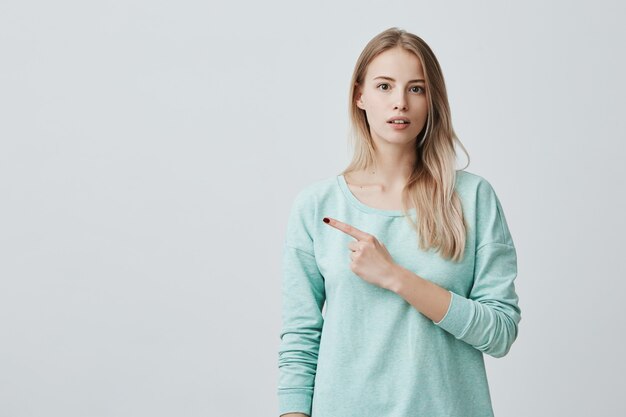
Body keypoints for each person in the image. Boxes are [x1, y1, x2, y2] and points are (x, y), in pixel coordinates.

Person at [277, 27, 521, 417]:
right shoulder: (317, 206)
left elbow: (500, 333)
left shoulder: (472, 198)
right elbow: (300, 339)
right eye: (385, 86)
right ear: (360, 95)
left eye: (416, 89)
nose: (400, 103)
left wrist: (396, 277)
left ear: (431, 101)